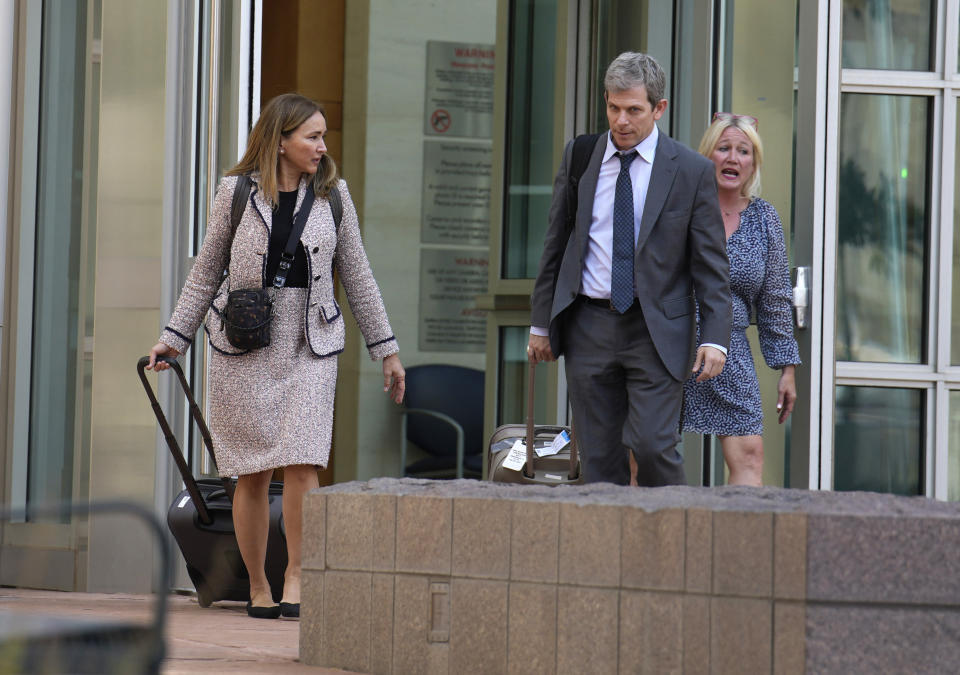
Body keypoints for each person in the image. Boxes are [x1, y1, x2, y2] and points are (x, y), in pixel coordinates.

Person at [146, 93, 405, 618]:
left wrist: (387, 351)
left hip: (311, 343)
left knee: (305, 463)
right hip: (244, 344)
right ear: (280, 140)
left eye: (323, 136)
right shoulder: (235, 193)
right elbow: (206, 271)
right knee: (253, 474)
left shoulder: (334, 196)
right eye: (312, 136)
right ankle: (258, 585)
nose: (321, 146)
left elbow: (357, 276)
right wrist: (175, 336)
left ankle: (298, 575)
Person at [527, 52, 731, 486]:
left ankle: (674, 545)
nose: (621, 120)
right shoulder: (580, 156)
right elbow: (555, 244)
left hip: (656, 329)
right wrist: (541, 324)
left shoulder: (691, 171)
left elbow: (711, 265)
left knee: (654, 445)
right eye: (613, 107)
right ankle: (606, 553)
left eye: (634, 110)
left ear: (659, 109)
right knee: (599, 459)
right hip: (589, 325)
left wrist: (715, 337)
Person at [681, 112, 800, 486]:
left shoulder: (764, 218)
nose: (733, 158)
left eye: (743, 151)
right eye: (724, 148)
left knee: (750, 453)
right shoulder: (679, 207)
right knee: (646, 453)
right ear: (707, 155)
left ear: (753, 163)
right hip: (671, 340)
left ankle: (739, 543)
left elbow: (776, 297)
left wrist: (787, 369)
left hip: (730, 349)